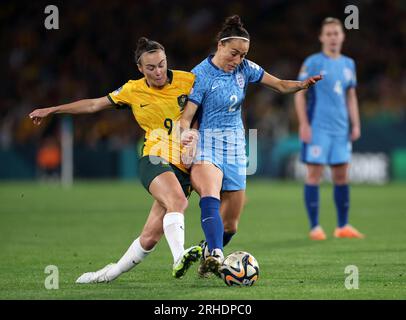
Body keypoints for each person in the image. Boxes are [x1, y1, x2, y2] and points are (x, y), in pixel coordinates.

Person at [29, 37, 202, 283]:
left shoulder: (188, 80)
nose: (158, 71)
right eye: (151, 68)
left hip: (185, 164)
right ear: (140, 69)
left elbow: (209, 109)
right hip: (155, 158)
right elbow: (93, 106)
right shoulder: (132, 90)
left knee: (149, 237)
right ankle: (178, 258)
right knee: (177, 201)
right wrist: (52, 110)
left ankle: (107, 274)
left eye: (162, 64)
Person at [180, 15, 322, 276]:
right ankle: (216, 255)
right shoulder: (199, 75)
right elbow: (186, 117)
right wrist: (186, 138)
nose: (238, 60)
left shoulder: (245, 68)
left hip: (235, 147)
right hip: (207, 145)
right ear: (220, 46)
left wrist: (301, 85)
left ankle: (205, 253)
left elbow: (279, 84)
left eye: (243, 54)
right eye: (234, 53)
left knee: (231, 225)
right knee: (210, 193)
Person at [294, 17, 364, 240]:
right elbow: (299, 94)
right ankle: (315, 227)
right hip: (318, 128)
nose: (333, 37)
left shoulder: (348, 64)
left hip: (341, 129)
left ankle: (342, 226)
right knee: (314, 175)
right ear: (322, 37)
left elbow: (351, 96)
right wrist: (304, 123)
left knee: (342, 175)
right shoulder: (313, 62)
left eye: (337, 33)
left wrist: (356, 123)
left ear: (342, 36)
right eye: (329, 34)